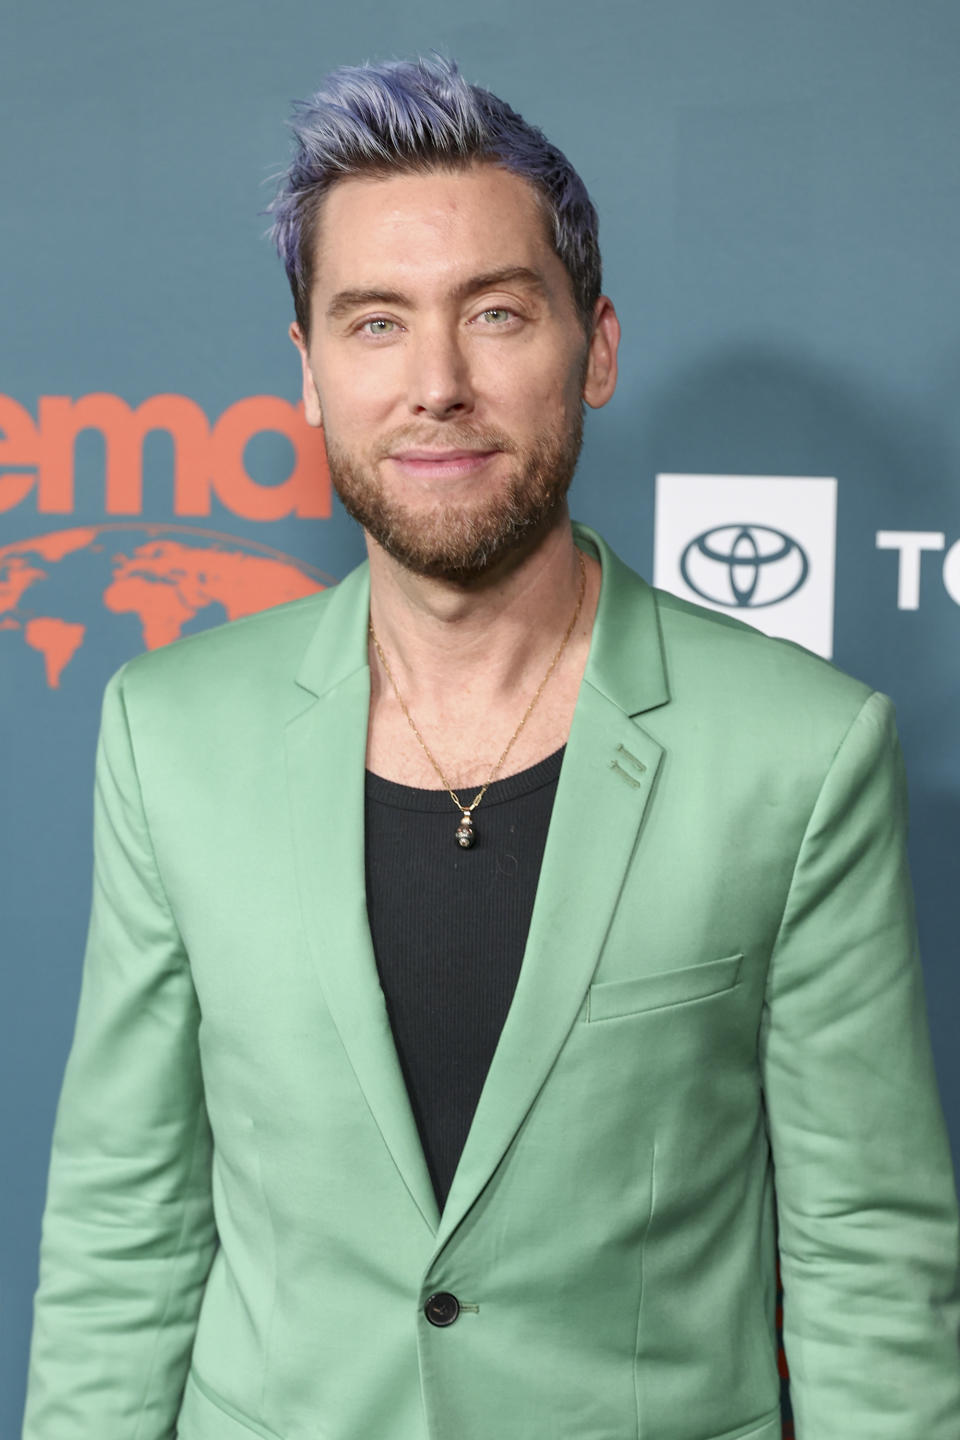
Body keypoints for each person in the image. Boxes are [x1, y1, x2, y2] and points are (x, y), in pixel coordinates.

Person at [22, 55, 960, 1440]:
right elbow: (125, 1229)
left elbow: (866, 1260)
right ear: (309, 371)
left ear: (599, 347)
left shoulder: (802, 755)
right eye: (377, 323)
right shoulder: (169, 733)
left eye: (499, 313)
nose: (438, 384)